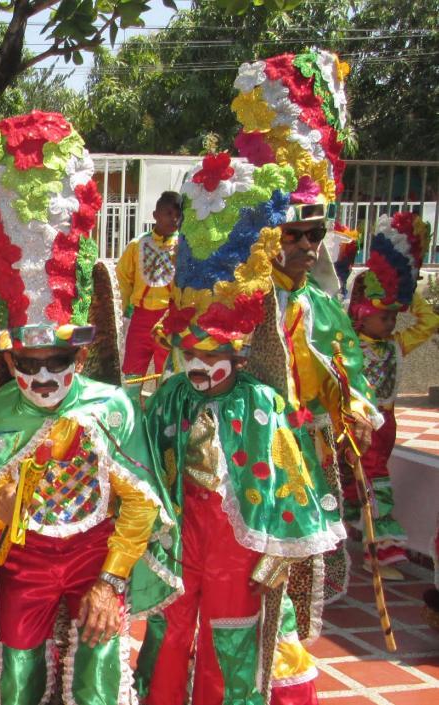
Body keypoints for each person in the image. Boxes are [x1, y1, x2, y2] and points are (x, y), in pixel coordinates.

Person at [0, 112, 178, 705]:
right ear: (8, 361)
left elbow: (140, 502)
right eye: (26, 363)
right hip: (24, 565)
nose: (40, 376)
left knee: (98, 679)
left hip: (94, 558)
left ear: (81, 358)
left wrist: (111, 582)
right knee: (16, 681)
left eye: (54, 361)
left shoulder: (111, 409)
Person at [134, 153, 345, 705]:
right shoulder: (169, 397)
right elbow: (141, 460)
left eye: (214, 358)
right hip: (179, 540)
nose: (200, 370)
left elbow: (289, 478)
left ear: (239, 351)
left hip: (237, 545)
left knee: (231, 638)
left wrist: (277, 555)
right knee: (169, 629)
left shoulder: (259, 402)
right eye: (189, 356)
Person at [233, 48, 380, 705]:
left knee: (298, 578)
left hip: (306, 455)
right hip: (249, 458)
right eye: (298, 231)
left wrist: (357, 409)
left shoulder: (321, 299)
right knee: (247, 576)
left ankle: (284, 675)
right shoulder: (241, 294)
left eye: (318, 231)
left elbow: (343, 359)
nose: (309, 244)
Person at [344, 212, 439, 579]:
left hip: (387, 427)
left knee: (361, 485)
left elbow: (428, 322)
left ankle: (361, 540)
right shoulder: (349, 347)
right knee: (374, 483)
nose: (390, 323)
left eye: (392, 317)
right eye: (383, 316)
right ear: (362, 314)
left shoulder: (396, 345)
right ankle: (383, 554)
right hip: (359, 426)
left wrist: (405, 291)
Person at [116, 191, 181, 390]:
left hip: (168, 319)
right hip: (140, 317)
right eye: (168, 213)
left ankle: (163, 417)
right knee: (133, 370)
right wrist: (128, 308)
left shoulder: (182, 247)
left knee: (166, 374)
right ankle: (132, 413)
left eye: (178, 215)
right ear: (155, 215)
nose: (174, 219)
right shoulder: (137, 245)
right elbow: (124, 277)